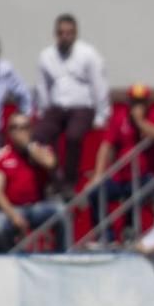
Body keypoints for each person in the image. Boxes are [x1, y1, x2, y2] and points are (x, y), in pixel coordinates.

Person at [34, 14, 111, 192]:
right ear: (55, 34)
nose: (65, 36)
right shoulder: (46, 56)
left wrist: (102, 114)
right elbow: (42, 86)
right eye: (61, 33)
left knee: (73, 136)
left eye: (69, 33)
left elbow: (99, 84)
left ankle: (69, 180)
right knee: (40, 136)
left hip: (82, 107)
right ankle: (53, 178)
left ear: (76, 34)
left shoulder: (88, 54)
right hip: (56, 107)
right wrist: (42, 111)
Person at [88, 83, 154, 236]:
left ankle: (130, 230)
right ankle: (106, 236)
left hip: (147, 177)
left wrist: (140, 123)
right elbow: (106, 146)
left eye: (141, 101)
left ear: (147, 102)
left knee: (136, 192)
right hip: (121, 178)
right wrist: (98, 174)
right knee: (95, 192)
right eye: (134, 101)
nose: (137, 105)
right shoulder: (119, 117)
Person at [0, 113, 62, 252]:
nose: (19, 132)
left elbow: (50, 163)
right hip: (12, 208)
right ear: (9, 132)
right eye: (15, 128)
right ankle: (9, 258)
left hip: (37, 207)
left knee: (62, 211)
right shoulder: (2, 156)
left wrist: (29, 147)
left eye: (24, 127)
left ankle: (62, 254)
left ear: (31, 130)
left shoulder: (41, 149)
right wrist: (13, 215)